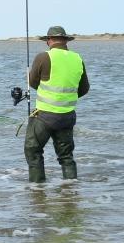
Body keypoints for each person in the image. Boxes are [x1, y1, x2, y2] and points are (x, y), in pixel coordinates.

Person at [25, 26, 90, 182]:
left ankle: (37, 188)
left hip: (44, 116)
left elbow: (33, 83)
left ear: (49, 41)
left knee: (33, 150)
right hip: (67, 116)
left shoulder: (43, 57)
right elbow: (84, 88)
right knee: (66, 156)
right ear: (66, 41)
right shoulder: (77, 58)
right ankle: (70, 189)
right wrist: (65, 98)